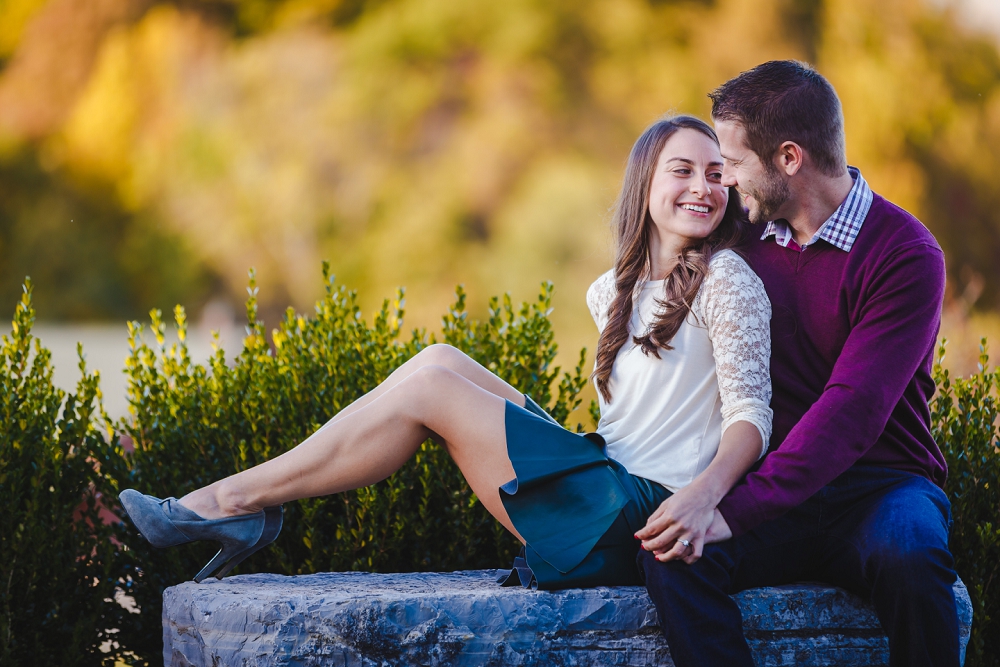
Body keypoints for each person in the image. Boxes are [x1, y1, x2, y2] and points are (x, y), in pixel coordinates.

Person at [119, 115, 773, 591]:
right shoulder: (611, 291)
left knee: (432, 390)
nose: (704, 187)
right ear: (645, 184)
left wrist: (704, 497)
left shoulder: (727, 278)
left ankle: (229, 503)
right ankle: (242, 503)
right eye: (682, 170)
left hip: (643, 518)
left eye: (717, 174)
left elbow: (751, 416)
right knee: (437, 361)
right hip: (604, 481)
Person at [635, 61, 959, 666]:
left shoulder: (905, 254)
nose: (724, 181)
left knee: (913, 556)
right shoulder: (745, 239)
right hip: (769, 481)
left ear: (788, 158)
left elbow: (852, 411)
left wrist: (731, 509)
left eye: (732, 163)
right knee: (674, 557)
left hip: (881, 485)